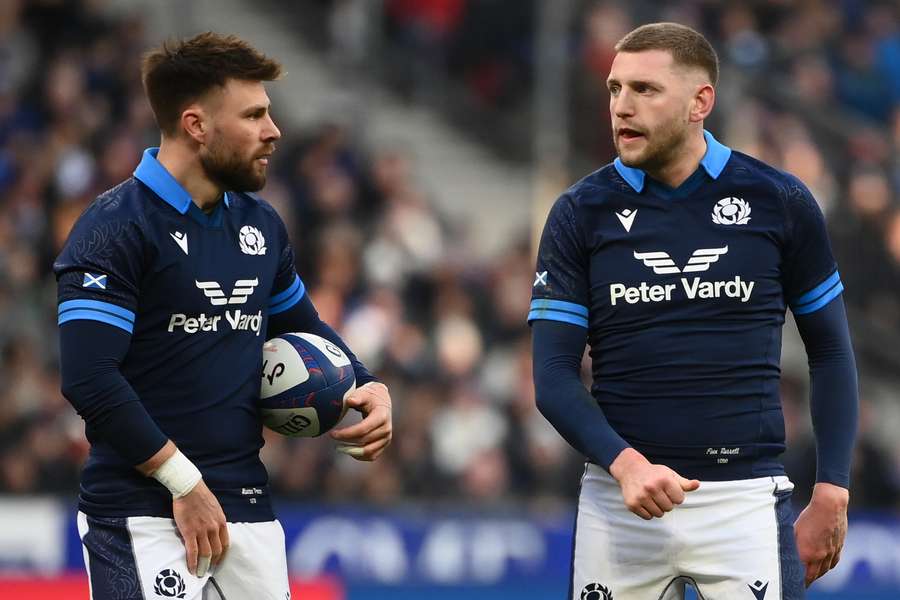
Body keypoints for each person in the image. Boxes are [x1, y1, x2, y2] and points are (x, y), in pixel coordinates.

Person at [55, 32, 393, 600]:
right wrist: (184, 484)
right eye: (255, 115)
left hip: (248, 508)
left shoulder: (261, 224)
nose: (274, 130)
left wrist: (366, 382)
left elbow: (300, 325)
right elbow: (89, 379)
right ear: (196, 125)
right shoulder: (114, 228)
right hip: (143, 512)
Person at [529, 23, 857, 600]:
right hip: (620, 500)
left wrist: (832, 488)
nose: (622, 107)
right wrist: (626, 465)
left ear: (700, 101)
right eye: (614, 89)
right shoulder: (580, 213)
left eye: (645, 90)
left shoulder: (778, 201)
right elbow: (552, 376)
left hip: (745, 502)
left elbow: (830, 350)